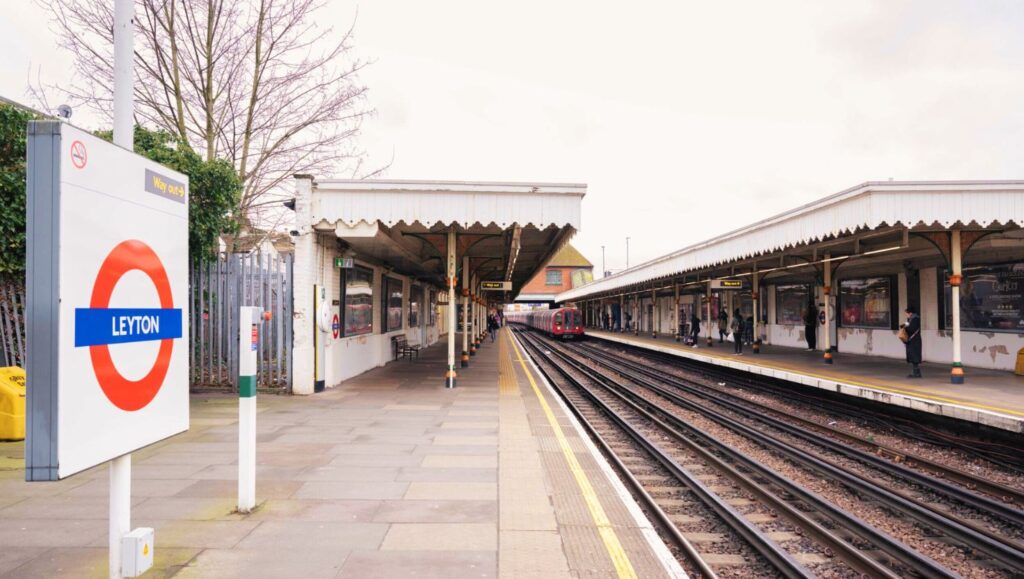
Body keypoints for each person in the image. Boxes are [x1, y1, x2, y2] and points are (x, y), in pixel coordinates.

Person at [902, 306, 922, 378]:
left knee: (914, 356)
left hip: (914, 340)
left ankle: (916, 373)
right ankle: (915, 372)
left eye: (907, 313)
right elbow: (907, 326)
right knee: (912, 356)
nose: (906, 315)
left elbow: (911, 329)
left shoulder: (915, 319)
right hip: (912, 340)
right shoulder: (910, 319)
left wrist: (905, 327)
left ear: (910, 313)